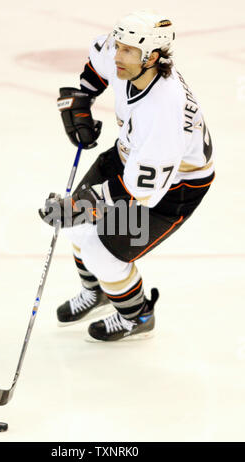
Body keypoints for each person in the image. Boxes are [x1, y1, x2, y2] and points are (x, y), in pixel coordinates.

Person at [39, 11, 215, 342]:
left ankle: (137, 315)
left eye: (127, 51)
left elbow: (142, 195)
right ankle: (102, 293)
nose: (117, 54)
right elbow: (98, 61)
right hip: (129, 159)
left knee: (101, 253)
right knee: (76, 228)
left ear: (154, 57)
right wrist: (84, 98)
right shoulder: (132, 60)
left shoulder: (162, 112)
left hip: (173, 189)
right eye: (119, 46)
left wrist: (88, 204)